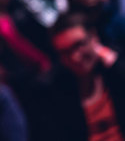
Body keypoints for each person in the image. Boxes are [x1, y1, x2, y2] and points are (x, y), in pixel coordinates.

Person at [30, 13, 125, 141]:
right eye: (65, 52)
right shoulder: (53, 91)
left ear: (94, 36)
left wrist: (116, 66)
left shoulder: (116, 65)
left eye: (79, 45)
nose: (75, 57)